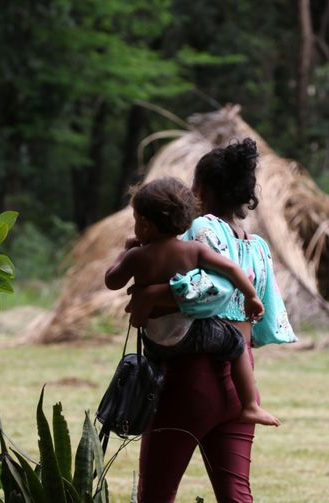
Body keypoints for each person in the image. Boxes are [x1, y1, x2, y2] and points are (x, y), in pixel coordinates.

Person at [126, 138, 297, 502]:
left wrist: (151, 295)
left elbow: (211, 290)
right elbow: (267, 319)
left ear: (201, 189)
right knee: (236, 494)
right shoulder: (258, 247)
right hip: (241, 379)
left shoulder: (202, 228)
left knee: (156, 493)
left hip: (191, 379)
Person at [104, 176, 280, 426]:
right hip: (193, 334)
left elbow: (112, 281)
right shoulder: (193, 250)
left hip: (155, 344)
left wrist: (125, 252)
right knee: (236, 344)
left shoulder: (136, 256)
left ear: (144, 223)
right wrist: (251, 296)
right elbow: (231, 269)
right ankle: (250, 405)